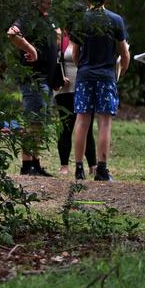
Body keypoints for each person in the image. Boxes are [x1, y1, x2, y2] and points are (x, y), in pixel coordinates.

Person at [69, 0, 130, 181]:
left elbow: (75, 52)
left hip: (85, 75)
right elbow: (124, 52)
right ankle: (102, 169)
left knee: (82, 120)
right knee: (104, 122)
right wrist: (121, 70)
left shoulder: (81, 20)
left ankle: (79, 168)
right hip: (106, 76)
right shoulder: (115, 20)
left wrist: (83, 66)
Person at [7, 0, 59, 177]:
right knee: (33, 121)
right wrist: (31, 49)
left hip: (47, 78)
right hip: (33, 78)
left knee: (40, 122)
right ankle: (26, 165)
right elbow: (12, 33)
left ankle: (35, 163)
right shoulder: (28, 17)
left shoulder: (48, 19)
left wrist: (58, 75)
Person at [54, 25, 96, 176]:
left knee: (87, 128)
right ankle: (64, 166)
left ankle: (93, 165)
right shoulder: (61, 39)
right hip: (65, 89)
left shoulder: (86, 39)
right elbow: (54, 60)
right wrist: (59, 77)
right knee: (66, 126)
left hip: (84, 88)